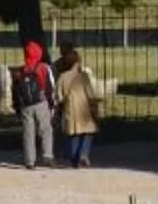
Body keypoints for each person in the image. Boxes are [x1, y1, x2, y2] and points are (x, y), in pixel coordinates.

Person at [12, 37, 56, 168]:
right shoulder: (43, 67)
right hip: (41, 102)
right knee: (45, 129)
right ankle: (47, 155)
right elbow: (49, 86)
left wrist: (17, 106)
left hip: (26, 105)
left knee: (28, 132)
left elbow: (15, 90)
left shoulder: (21, 71)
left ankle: (29, 161)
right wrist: (51, 102)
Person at [54, 44, 101, 169]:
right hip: (84, 109)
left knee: (73, 135)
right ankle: (84, 154)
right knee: (88, 133)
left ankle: (74, 160)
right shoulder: (83, 77)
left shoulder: (62, 78)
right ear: (76, 63)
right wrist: (95, 106)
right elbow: (91, 94)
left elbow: (58, 96)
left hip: (70, 110)